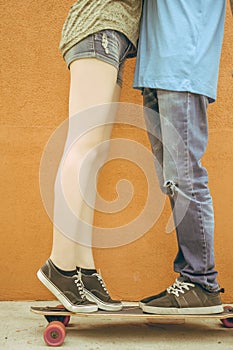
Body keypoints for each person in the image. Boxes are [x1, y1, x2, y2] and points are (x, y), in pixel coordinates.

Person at [37, 0, 142, 313]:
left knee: (95, 155)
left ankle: (83, 267)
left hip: (116, 35)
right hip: (100, 25)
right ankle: (60, 265)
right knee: (82, 147)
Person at [133, 0, 227, 314]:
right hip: (153, 70)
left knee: (186, 178)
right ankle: (191, 279)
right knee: (173, 182)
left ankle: (201, 281)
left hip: (183, 67)